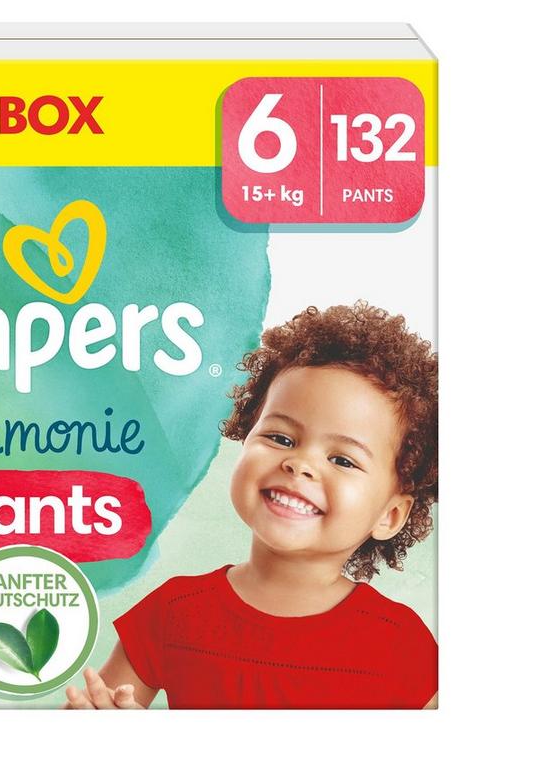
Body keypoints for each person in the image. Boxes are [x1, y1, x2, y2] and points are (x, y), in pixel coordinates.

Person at [65, 302, 438, 709]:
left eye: (343, 460)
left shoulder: (402, 646)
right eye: (280, 438)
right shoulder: (173, 612)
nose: (300, 463)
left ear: (390, 515)